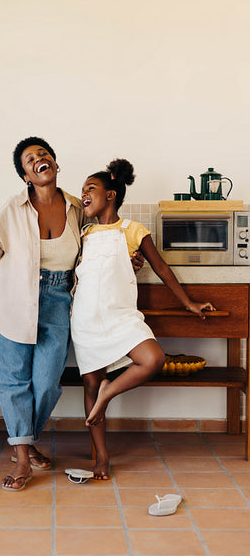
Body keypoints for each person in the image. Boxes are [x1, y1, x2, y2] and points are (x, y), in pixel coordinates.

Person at [0, 138, 144, 491]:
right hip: (13, 297)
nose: (39, 160)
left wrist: (129, 258)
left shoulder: (75, 208)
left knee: (47, 383)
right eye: (30, 159)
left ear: (55, 163)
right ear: (25, 174)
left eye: (44, 154)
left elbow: (96, 246)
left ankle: (25, 439)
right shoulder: (12, 209)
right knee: (14, 383)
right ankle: (22, 458)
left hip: (58, 299)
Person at [70, 158, 215, 480]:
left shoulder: (133, 231)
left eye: (90, 189)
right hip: (85, 317)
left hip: (120, 315)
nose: (83, 195)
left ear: (111, 194)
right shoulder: (84, 232)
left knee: (152, 359)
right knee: (91, 383)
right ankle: (101, 458)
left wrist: (187, 302)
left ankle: (109, 392)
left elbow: (161, 268)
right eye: (82, 191)